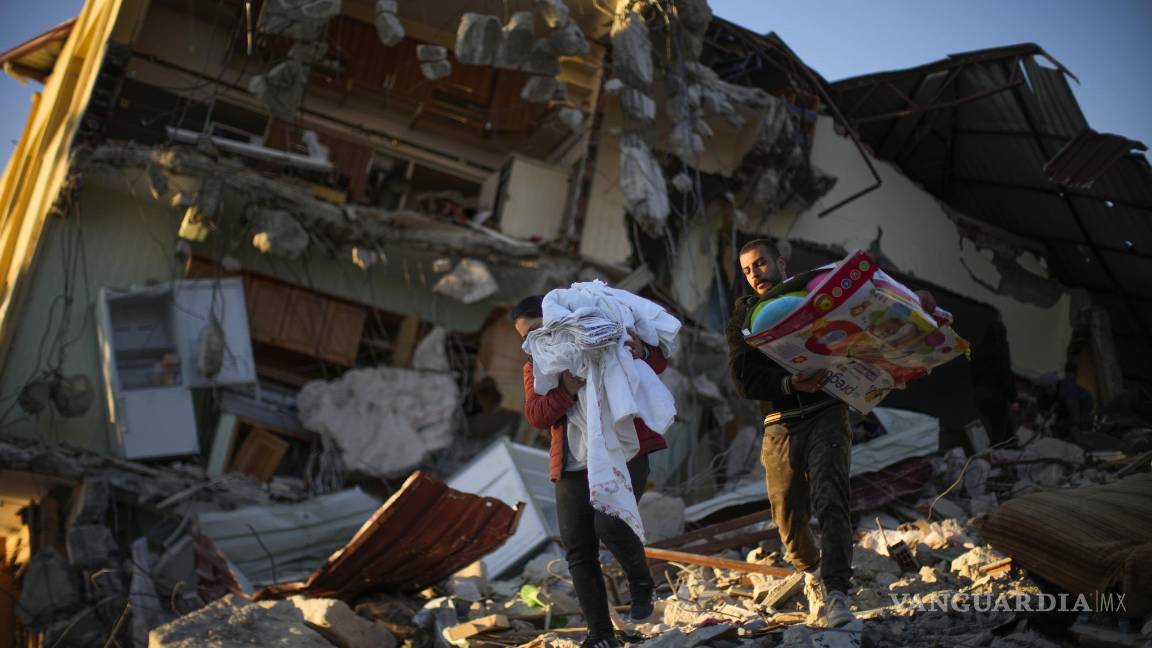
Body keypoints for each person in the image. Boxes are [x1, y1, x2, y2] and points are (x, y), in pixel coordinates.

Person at [725, 239, 936, 628]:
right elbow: (743, 379)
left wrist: (914, 303)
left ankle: (836, 591)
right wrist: (791, 383)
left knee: (831, 498)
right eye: (747, 271)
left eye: (760, 265)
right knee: (787, 512)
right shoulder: (744, 317)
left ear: (780, 262)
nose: (755, 275)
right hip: (780, 423)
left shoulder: (818, 293)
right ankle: (812, 571)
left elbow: (874, 314)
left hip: (828, 412)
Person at [513, 295, 668, 648]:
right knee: (578, 549)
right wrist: (566, 388)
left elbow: (656, 364)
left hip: (623, 451)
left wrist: (642, 350)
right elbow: (537, 415)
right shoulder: (537, 366)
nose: (533, 343)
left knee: (611, 523)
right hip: (571, 466)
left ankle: (641, 582)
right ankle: (600, 636)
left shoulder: (601, 336)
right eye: (525, 338)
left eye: (537, 330)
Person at [970, 317, 1017, 446]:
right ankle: (996, 455)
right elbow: (1005, 375)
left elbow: (973, 372)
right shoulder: (1000, 348)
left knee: (988, 426)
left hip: (979, 393)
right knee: (998, 429)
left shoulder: (980, 348)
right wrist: (1013, 397)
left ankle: (1005, 448)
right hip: (995, 395)